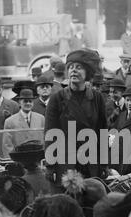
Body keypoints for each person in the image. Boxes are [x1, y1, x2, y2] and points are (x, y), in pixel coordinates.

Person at [44, 49, 107, 189]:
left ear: (88, 73)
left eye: (78, 67)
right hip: (66, 163)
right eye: (71, 67)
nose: (73, 71)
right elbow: (50, 134)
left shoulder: (97, 98)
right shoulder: (57, 99)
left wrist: (104, 164)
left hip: (90, 163)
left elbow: (102, 132)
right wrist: (50, 166)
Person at [3, 89, 45, 157]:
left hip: (37, 159)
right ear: (19, 102)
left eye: (30, 101)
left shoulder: (41, 118)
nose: (28, 103)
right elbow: (7, 145)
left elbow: (45, 140)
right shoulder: (10, 121)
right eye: (25, 101)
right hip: (19, 160)